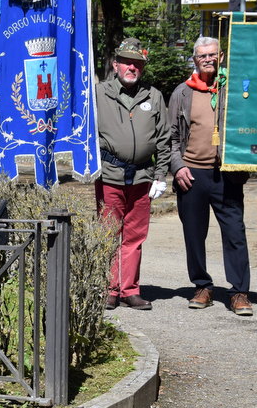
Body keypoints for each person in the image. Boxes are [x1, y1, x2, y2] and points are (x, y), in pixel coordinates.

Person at [168, 36, 252, 316]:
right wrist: (178, 166)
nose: (208, 59)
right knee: (194, 235)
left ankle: (239, 292)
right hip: (191, 174)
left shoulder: (235, 90)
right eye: (202, 55)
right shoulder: (182, 92)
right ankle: (202, 286)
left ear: (221, 57)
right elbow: (172, 137)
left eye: (212, 55)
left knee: (235, 234)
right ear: (195, 59)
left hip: (226, 175)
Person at [95, 37, 171, 310]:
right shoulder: (99, 94)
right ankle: (109, 288)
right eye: (127, 62)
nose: (132, 67)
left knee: (135, 236)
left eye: (137, 63)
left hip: (142, 177)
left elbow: (164, 139)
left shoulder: (154, 96)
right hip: (109, 175)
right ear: (115, 64)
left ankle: (130, 289)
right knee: (108, 233)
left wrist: (161, 175)